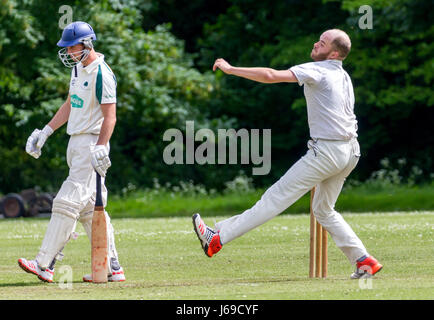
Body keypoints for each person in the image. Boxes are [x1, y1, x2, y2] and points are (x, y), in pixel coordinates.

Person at [193, 29, 383, 279]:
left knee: (275, 198)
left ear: (334, 53)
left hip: (327, 151)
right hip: (350, 152)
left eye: (322, 42)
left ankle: (217, 238)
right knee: (323, 210)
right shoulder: (343, 76)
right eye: (318, 39)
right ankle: (363, 260)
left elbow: (271, 75)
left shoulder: (319, 70)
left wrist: (231, 69)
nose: (316, 43)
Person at [18, 21, 125, 283]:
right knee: (89, 210)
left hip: (91, 145)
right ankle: (112, 267)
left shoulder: (102, 74)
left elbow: (110, 117)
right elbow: (70, 104)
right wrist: (45, 132)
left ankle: (44, 263)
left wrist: (101, 146)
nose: (67, 52)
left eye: (71, 47)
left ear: (87, 44)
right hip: (75, 143)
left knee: (65, 202)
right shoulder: (78, 68)